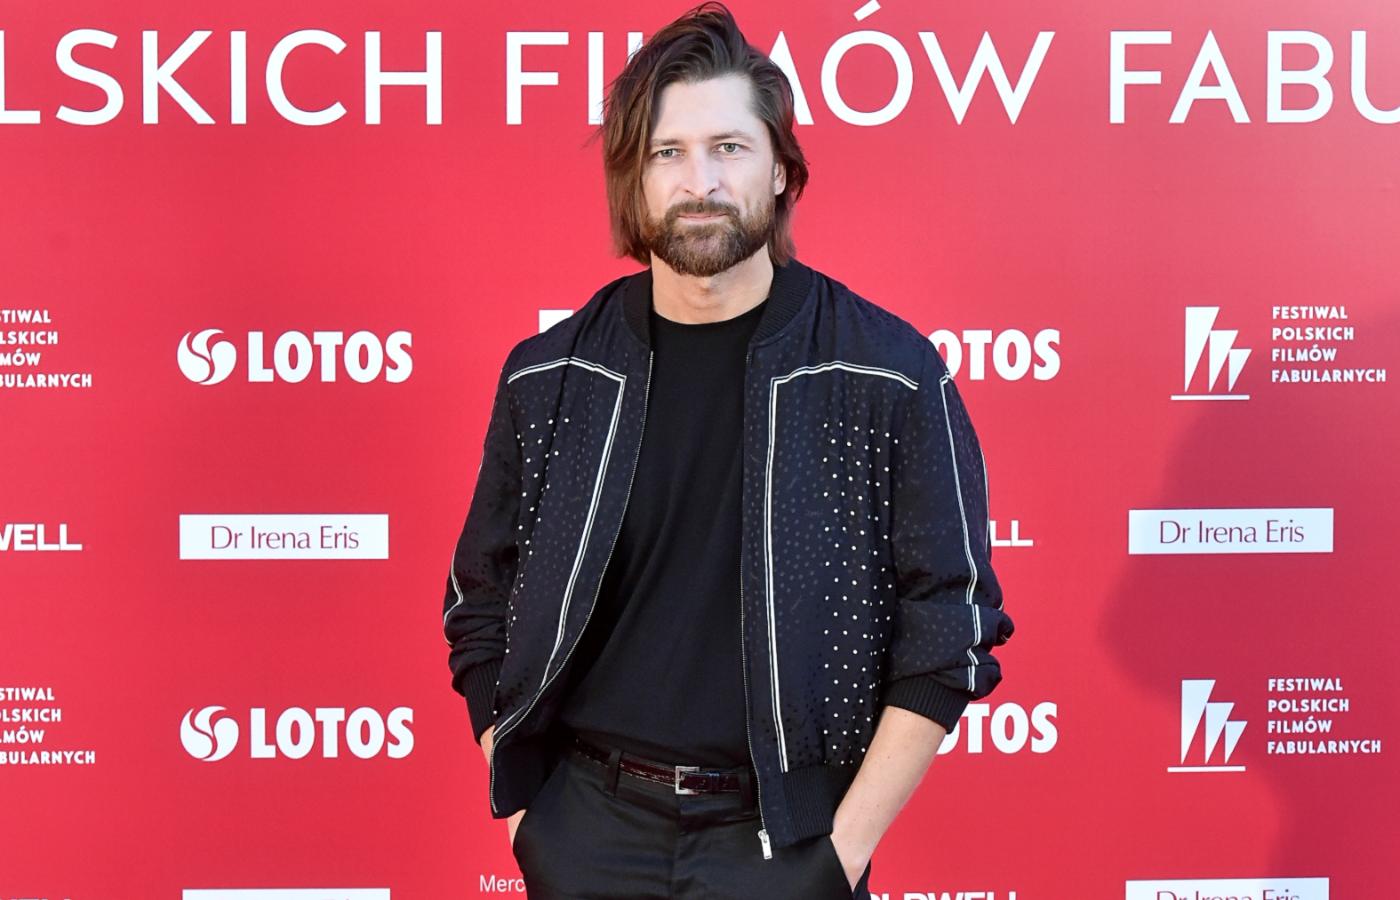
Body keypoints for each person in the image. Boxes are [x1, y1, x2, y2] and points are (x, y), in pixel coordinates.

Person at [442, 3, 1015, 897]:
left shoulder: (887, 373)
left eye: (729, 148)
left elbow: (953, 623)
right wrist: (531, 822)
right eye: (667, 153)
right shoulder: (551, 374)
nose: (699, 181)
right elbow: (480, 597)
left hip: (787, 840)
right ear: (634, 179)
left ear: (781, 169)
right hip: (585, 830)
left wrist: (839, 855)